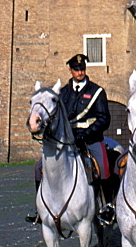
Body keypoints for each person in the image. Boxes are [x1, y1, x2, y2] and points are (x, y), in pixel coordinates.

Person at [27, 53, 116, 224]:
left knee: (103, 165)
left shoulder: (96, 92)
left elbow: (104, 118)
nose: (79, 72)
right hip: (67, 140)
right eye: (76, 69)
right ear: (70, 70)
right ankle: (39, 209)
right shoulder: (63, 93)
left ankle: (107, 206)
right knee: (39, 168)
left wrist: (86, 133)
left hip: (90, 139)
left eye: (82, 69)